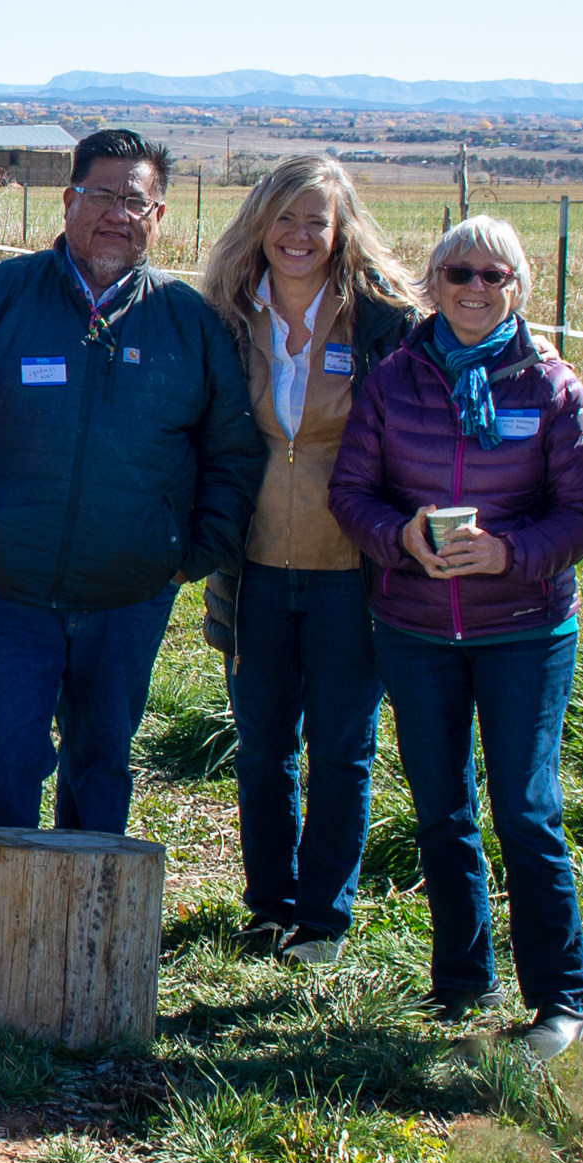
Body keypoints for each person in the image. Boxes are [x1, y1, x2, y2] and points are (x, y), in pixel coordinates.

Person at [0, 128, 259, 837]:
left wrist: (189, 553)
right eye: (100, 194)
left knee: (102, 763)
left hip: (132, 594)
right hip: (8, 589)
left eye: (135, 200)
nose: (115, 213)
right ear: (67, 200)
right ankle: (1, 924)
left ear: (159, 217)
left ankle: (87, 924)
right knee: (5, 757)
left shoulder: (190, 323)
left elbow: (233, 452)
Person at [329, 215, 583, 1058]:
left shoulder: (553, 388)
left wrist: (508, 553)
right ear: (433, 284)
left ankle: (559, 1000)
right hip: (414, 628)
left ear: (518, 287)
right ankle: (460, 979)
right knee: (441, 809)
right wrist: (402, 539)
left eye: (495, 276)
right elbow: (353, 493)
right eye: (460, 274)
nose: (476, 289)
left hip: (523, 628)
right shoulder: (393, 382)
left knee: (526, 811)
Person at [195, 156, 422, 965]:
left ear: (341, 231)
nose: (298, 235)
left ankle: (323, 917)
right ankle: (267, 904)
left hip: (352, 573)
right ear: (260, 223)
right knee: (261, 748)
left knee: (341, 749)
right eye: (284, 217)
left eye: (315, 221)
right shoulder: (224, 317)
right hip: (253, 567)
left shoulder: (386, 324)